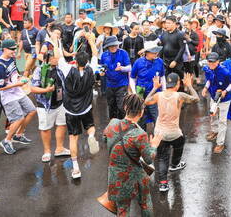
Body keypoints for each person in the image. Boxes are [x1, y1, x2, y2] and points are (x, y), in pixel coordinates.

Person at [103, 94, 162, 217]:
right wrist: (154, 146)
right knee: (145, 202)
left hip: (115, 176)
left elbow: (105, 140)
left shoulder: (112, 123)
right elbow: (148, 159)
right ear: (141, 112)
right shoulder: (140, 134)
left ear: (125, 107)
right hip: (135, 176)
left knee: (122, 209)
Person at [145, 72, 198, 192]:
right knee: (180, 142)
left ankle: (163, 184)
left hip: (160, 133)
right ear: (178, 84)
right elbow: (196, 99)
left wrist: (154, 88)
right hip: (174, 133)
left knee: (162, 157)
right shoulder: (180, 95)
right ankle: (175, 164)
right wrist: (189, 86)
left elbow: (147, 101)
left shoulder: (158, 95)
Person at [57, 47, 99, 179]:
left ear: (75, 61)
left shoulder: (67, 69)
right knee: (90, 127)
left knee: (73, 138)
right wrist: (91, 40)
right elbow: (95, 54)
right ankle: (91, 137)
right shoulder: (91, 68)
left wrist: (55, 40)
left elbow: (59, 56)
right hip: (86, 107)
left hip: (71, 109)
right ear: (86, 62)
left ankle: (75, 169)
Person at [0, 39, 37, 155]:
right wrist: (19, 84)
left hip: (17, 91)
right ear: (5, 49)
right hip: (8, 96)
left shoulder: (12, 59)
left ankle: (18, 135)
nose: (15, 51)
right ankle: (7, 141)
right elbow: (0, 87)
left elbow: (14, 73)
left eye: (15, 48)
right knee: (19, 119)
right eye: (12, 49)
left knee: (32, 110)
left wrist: (21, 79)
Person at [202, 51, 231, 154]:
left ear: (218, 62)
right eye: (209, 62)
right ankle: (214, 131)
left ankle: (220, 143)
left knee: (222, 121)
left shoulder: (224, 71)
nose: (211, 64)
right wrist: (205, 88)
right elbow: (209, 80)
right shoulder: (208, 69)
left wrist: (226, 91)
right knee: (212, 115)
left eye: (213, 62)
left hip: (224, 100)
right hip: (213, 97)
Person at [130, 42, 165, 131]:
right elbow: (132, 78)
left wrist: (164, 91)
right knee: (140, 116)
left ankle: (158, 137)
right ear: (147, 52)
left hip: (155, 92)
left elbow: (162, 77)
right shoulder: (138, 62)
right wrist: (135, 92)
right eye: (154, 52)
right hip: (140, 91)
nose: (156, 53)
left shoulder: (160, 61)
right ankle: (142, 135)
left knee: (156, 115)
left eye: (156, 51)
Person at [100, 35, 131, 120]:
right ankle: (113, 126)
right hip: (109, 84)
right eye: (111, 46)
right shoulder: (104, 55)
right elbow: (102, 67)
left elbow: (129, 67)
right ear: (108, 47)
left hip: (122, 84)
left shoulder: (123, 53)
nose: (114, 47)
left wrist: (122, 68)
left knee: (121, 107)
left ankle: (124, 124)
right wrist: (101, 73)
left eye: (115, 45)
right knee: (111, 106)